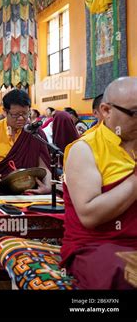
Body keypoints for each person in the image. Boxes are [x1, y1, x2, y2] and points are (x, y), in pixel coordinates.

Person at [61, 77, 137, 289]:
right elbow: (89, 215)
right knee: (123, 271)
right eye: (135, 113)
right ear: (105, 110)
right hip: (99, 245)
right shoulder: (85, 149)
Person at [0, 89, 52, 196]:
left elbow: (44, 167)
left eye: (26, 114)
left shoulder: (35, 132)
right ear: (5, 112)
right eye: (15, 115)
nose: (21, 118)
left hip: (26, 186)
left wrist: (47, 187)